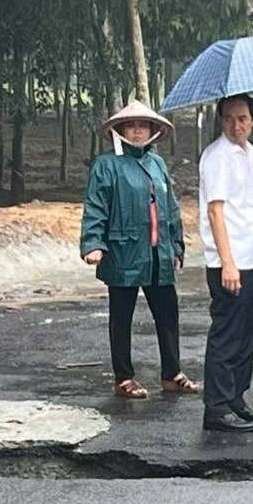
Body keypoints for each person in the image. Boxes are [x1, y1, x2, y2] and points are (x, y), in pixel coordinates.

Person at [79, 100, 199, 399]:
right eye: (131, 126)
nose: (137, 131)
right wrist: (93, 243)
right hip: (123, 250)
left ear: (152, 130)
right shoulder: (106, 165)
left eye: (142, 125)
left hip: (158, 255)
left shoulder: (156, 164)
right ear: (120, 130)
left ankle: (172, 373)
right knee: (122, 317)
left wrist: (177, 245)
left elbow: (170, 208)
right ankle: (123, 377)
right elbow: (96, 206)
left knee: (168, 313)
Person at [199, 95, 253, 432]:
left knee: (246, 335)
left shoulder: (248, 153)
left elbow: (246, 197)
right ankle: (215, 407)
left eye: (243, 118)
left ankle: (236, 397)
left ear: (252, 119)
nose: (237, 125)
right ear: (220, 120)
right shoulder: (217, 156)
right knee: (227, 334)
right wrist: (227, 263)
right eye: (229, 119)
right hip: (228, 261)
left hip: (251, 255)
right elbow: (215, 211)